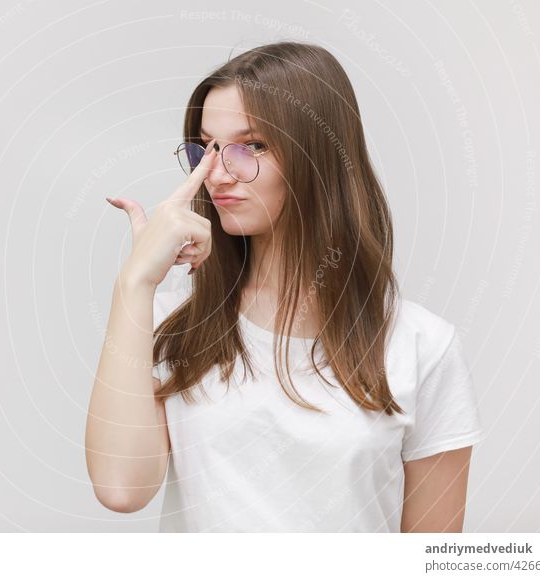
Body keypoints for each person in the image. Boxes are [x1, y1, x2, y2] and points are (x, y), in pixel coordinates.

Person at [85, 41, 486, 532]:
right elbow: (122, 489)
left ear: (318, 157)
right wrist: (134, 282)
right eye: (207, 148)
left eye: (251, 145)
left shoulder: (422, 347)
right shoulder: (170, 323)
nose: (218, 173)